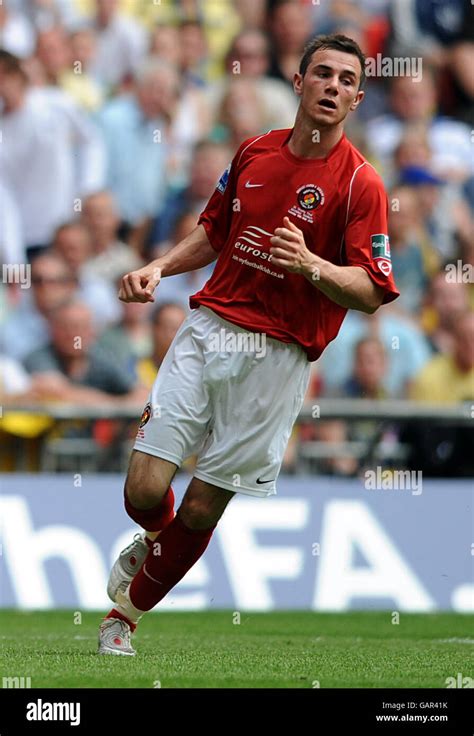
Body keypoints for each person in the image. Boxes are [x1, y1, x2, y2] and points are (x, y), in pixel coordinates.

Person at [97, 33, 399, 656]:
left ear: (358, 98)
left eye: (346, 80)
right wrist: (159, 266)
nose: (333, 87)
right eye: (323, 74)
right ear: (298, 82)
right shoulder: (255, 152)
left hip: (280, 357)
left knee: (203, 508)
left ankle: (121, 619)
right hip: (208, 330)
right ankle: (156, 539)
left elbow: (371, 289)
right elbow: (214, 230)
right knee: (143, 491)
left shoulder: (361, 185)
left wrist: (312, 265)